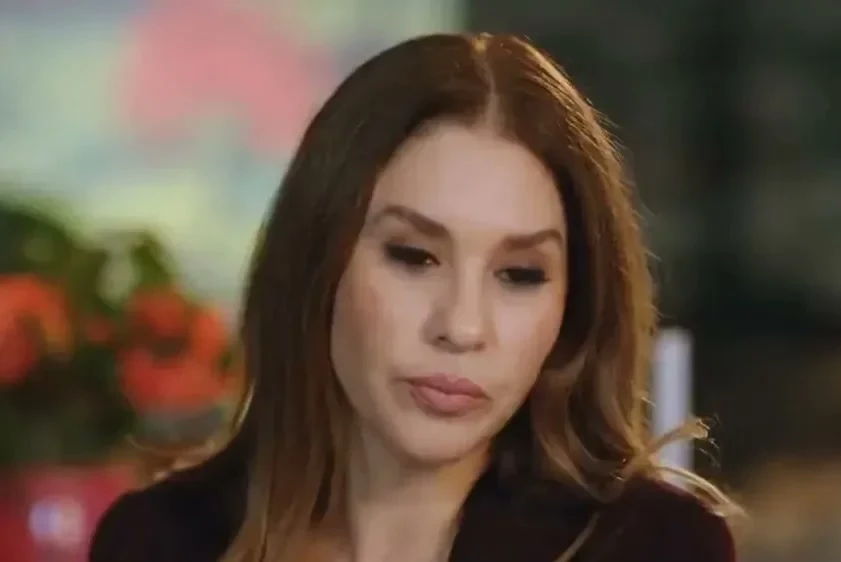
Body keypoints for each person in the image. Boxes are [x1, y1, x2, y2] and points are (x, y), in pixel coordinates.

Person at [90, 32, 737, 562]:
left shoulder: (655, 547)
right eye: (414, 257)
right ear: (318, 260)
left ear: (574, 305)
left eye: (519, 274)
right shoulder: (158, 541)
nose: (462, 326)